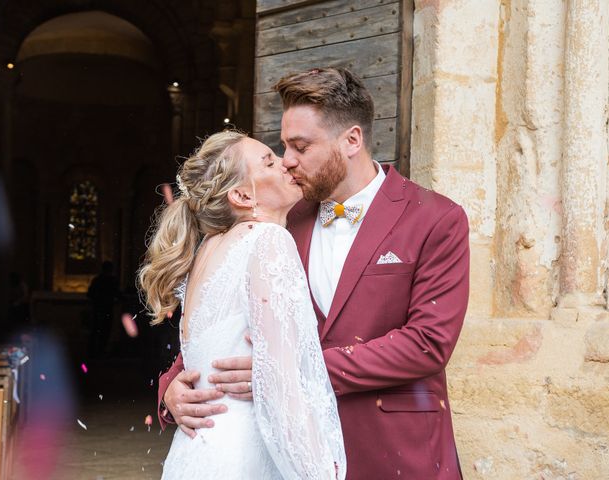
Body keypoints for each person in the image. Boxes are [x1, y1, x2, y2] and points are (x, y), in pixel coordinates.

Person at [159, 68, 470, 479]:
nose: (287, 160)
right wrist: (173, 387)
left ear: (351, 140)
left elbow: (428, 343)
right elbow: (223, 316)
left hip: (394, 450)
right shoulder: (278, 220)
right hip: (282, 454)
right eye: (284, 146)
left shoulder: (435, 219)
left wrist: (287, 371)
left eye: (300, 146)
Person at [138, 130, 346, 479]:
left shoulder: (207, 250)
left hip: (196, 454)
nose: (285, 163)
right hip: (246, 455)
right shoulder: (268, 240)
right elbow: (283, 387)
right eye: (269, 161)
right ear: (241, 194)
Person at [87, 261, 120, 357]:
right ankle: (100, 350)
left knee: (96, 329)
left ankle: (93, 351)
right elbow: (117, 293)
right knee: (105, 330)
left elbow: (90, 294)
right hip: (106, 309)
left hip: (98, 308)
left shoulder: (97, 280)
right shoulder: (111, 280)